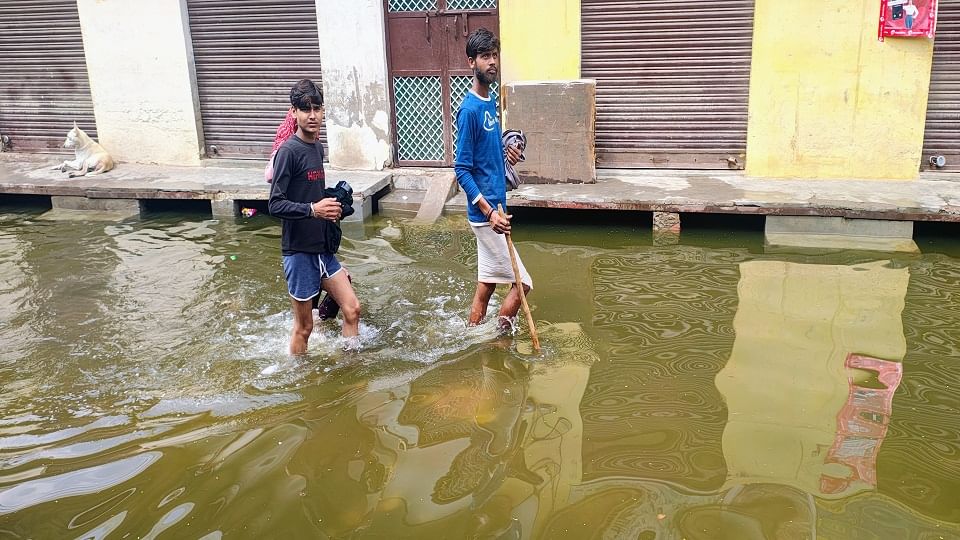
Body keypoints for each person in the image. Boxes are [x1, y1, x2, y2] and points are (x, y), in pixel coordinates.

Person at [268, 79, 361, 354]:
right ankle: (300, 382)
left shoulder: (317, 148)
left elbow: (313, 194)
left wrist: (333, 210)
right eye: (305, 109)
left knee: (352, 309)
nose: (313, 116)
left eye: (317, 109)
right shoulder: (288, 152)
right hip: (298, 252)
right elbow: (274, 204)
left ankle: (349, 368)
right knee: (304, 328)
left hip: (322, 250)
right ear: (293, 112)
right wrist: (312, 209)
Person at [454, 28, 530, 331]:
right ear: (472, 62)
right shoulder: (469, 110)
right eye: (485, 56)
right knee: (523, 284)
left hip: (497, 205)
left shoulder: (490, 101)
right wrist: (489, 212)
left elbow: (487, 149)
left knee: (486, 286)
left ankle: (471, 336)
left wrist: (505, 151)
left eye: (495, 55)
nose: (493, 62)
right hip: (487, 214)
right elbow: (461, 170)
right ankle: (499, 341)